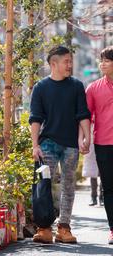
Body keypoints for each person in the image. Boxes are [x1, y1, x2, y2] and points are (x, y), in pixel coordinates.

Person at [29, 46, 90, 244]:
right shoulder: (40, 87)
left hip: (71, 145)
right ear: (53, 64)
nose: (70, 65)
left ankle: (64, 228)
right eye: (66, 61)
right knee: (43, 185)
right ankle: (44, 228)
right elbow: (35, 119)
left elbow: (83, 114)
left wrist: (86, 137)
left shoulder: (76, 86)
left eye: (70, 61)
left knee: (68, 186)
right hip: (48, 144)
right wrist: (35, 145)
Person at [84, 46, 113, 244]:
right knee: (109, 189)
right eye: (100, 60)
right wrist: (84, 138)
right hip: (103, 144)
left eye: (107, 60)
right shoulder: (93, 88)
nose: (102, 63)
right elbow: (86, 116)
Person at [82, 126, 103, 206]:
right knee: (92, 172)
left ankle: (102, 196)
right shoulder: (90, 115)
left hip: (103, 143)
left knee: (103, 172)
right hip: (91, 143)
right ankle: (93, 197)